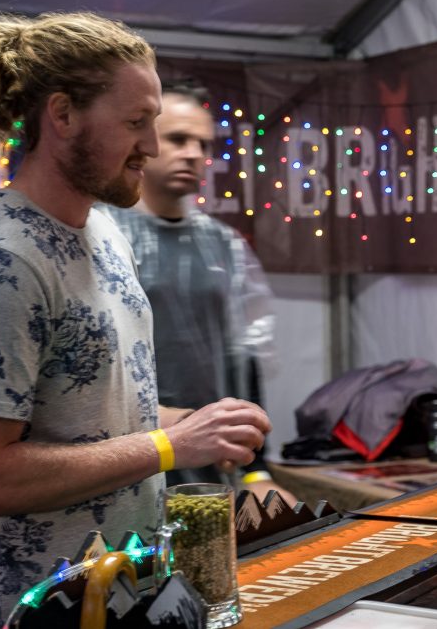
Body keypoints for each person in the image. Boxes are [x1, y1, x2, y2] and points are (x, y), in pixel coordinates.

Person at [0, 12, 271, 629]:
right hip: (32, 611)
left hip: (122, 598)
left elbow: (95, 415)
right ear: (63, 115)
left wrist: (194, 424)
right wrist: (170, 445)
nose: (152, 145)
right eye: (136, 122)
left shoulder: (103, 230)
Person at [103, 81, 295, 504]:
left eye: (203, 144)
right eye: (177, 139)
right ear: (144, 141)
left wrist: (256, 470)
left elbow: (243, 358)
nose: (193, 153)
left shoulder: (222, 245)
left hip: (212, 465)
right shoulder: (102, 236)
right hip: (127, 461)